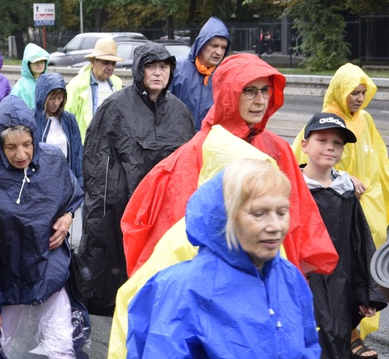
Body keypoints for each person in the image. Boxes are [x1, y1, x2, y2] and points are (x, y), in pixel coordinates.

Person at [121, 53, 338, 278]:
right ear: (228, 94)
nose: (261, 100)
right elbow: (173, 228)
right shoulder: (199, 151)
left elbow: (300, 215)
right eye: (250, 91)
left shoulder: (278, 149)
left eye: (265, 90)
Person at [125, 160, 320, 359]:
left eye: (282, 212)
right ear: (226, 217)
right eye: (259, 213)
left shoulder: (290, 277)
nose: (275, 226)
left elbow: (307, 351)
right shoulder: (183, 289)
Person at [0, 95, 90, 359]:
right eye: (11, 147)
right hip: (7, 274)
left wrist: (68, 216)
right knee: (7, 345)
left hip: (49, 267)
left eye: (27, 144)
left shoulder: (53, 161)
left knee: (61, 342)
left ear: (35, 138)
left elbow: (73, 192)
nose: (21, 154)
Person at [292, 63, 389, 350]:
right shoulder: (324, 120)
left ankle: (352, 331)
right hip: (334, 202)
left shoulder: (365, 120)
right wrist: (342, 176)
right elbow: (298, 162)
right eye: (353, 92)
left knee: (355, 263)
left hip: (361, 204)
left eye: (363, 92)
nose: (358, 98)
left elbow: (379, 158)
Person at [80, 42, 195, 316]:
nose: (158, 73)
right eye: (151, 67)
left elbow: (190, 161)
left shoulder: (179, 111)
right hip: (124, 202)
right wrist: (111, 201)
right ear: (139, 70)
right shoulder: (116, 107)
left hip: (166, 205)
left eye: (163, 67)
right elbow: (97, 161)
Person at [299, 112, 386, 359]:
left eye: (337, 143)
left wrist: (365, 291)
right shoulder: (293, 189)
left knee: (337, 344)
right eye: (322, 140)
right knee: (311, 346)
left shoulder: (345, 192)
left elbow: (359, 244)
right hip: (306, 285)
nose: (330, 147)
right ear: (305, 145)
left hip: (340, 285)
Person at [170, 16, 230, 130]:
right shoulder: (177, 69)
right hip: (178, 142)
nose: (219, 52)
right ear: (201, 44)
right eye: (214, 46)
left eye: (223, 47)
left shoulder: (224, 77)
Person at [65, 37, 123, 142]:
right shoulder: (76, 85)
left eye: (113, 63)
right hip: (85, 145)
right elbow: (66, 119)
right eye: (106, 62)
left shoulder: (116, 83)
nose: (110, 67)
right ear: (93, 61)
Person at [34, 72, 83, 185]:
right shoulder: (32, 119)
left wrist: (79, 184)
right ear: (43, 96)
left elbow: (77, 154)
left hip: (64, 180)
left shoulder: (69, 120)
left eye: (60, 98)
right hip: (41, 181)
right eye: (52, 98)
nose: (56, 103)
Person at [11, 43, 50, 109]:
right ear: (28, 63)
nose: (39, 64)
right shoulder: (21, 87)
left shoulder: (48, 83)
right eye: (35, 61)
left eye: (42, 61)